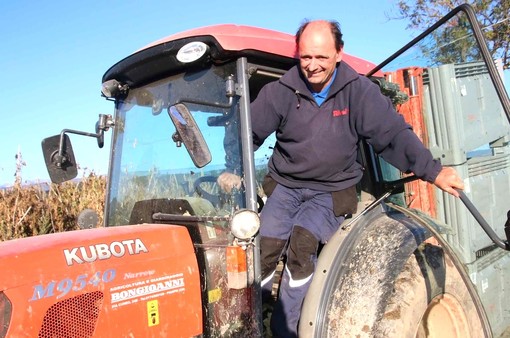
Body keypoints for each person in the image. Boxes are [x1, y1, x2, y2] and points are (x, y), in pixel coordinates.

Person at [218, 19, 464, 337]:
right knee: (263, 247)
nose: (313, 65)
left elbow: (391, 135)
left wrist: (433, 171)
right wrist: (233, 165)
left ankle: (286, 328)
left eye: (321, 57)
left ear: (338, 53)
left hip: (331, 191)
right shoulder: (279, 92)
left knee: (302, 245)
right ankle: (254, 319)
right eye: (306, 57)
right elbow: (246, 132)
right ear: (298, 54)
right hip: (286, 185)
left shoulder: (357, 93)